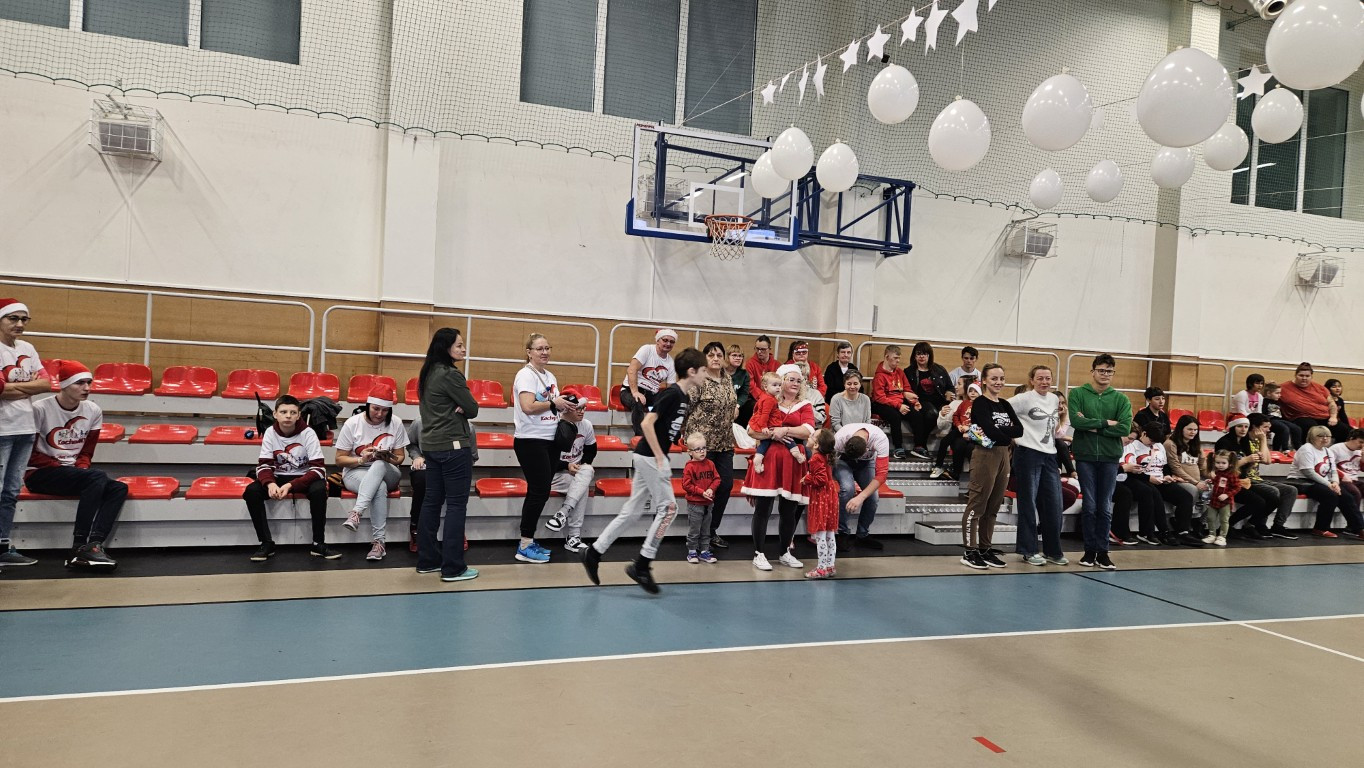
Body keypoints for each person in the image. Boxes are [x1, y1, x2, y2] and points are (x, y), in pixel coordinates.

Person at [583, 347, 708, 594]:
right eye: (703, 370)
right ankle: (642, 564)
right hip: (651, 457)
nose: (706, 374)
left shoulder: (683, 397)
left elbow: (665, 427)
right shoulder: (672, 393)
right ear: (692, 371)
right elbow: (647, 423)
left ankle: (594, 552)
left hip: (648, 457)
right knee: (669, 509)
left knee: (631, 512)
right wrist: (660, 456)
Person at [24, 361, 124, 569]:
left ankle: (94, 544)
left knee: (119, 488)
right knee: (97, 477)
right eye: (79, 383)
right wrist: (60, 466)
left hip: (72, 473)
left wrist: (81, 468)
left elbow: (86, 452)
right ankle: (78, 546)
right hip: (39, 473)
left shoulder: (93, 410)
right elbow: (29, 454)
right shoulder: (40, 409)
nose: (87, 388)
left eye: (89, 382)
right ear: (64, 385)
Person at [416, 327, 480, 583]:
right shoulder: (450, 374)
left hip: (431, 447)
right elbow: (472, 408)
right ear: (446, 348)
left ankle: (428, 560)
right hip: (453, 447)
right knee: (455, 505)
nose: (464, 349)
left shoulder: (428, 372)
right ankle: (453, 567)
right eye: (459, 345)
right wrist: (462, 406)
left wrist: (460, 405)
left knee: (431, 502)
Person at [512, 332, 579, 564]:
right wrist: (553, 402)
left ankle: (528, 541)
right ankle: (524, 545)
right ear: (529, 352)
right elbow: (528, 406)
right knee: (538, 491)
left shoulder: (549, 375)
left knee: (539, 491)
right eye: (539, 348)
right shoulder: (525, 375)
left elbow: (553, 407)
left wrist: (567, 405)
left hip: (549, 440)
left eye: (547, 348)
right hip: (531, 440)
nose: (545, 352)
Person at [742, 364, 816, 571]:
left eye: (798, 380)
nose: (795, 383)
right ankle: (759, 553)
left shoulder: (805, 405)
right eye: (790, 379)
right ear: (780, 381)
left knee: (789, 509)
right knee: (763, 508)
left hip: (792, 462)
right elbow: (751, 430)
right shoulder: (767, 401)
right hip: (770, 459)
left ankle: (784, 552)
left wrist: (784, 430)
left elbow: (807, 431)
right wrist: (774, 434)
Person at [242, 394, 333, 562]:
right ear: (275, 414)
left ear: (299, 415)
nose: (288, 416)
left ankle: (318, 543)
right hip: (278, 477)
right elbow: (263, 465)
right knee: (252, 491)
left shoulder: (308, 433)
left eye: (293, 412)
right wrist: (270, 484)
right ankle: (266, 543)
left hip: (304, 477)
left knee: (319, 490)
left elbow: (319, 469)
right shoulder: (270, 432)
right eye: (283, 412)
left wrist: (291, 485)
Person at [1068, 353, 1132, 570]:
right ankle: (1089, 551)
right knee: (1090, 506)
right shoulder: (1078, 394)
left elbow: (1124, 428)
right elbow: (1076, 422)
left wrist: (1093, 426)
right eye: (1101, 370)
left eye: (1109, 371)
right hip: (1085, 457)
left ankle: (1103, 552)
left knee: (1104, 507)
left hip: (1110, 458)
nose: (1105, 374)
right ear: (1093, 371)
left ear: (1113, 373)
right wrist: (1106, 423)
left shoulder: (1121, 399)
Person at [0, 297, 49, 566]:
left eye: (24, 319)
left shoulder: (27, 348)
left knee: (10, 492)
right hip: (2, 429)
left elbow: (46, 383)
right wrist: (30, 387)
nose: (19, 324)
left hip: (25, 428)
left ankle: (2, 547)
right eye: (13, 318)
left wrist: (12, 388)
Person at [335, 382, 409, 561]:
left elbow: (401, 457)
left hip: (388, 470)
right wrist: (362, 459)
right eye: (376, 409)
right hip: (356, 471)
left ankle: (356, 513)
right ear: (368, 405)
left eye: (385, 410)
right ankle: (379, 543)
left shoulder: (396, 422)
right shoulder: (353, 423)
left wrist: (386, 457)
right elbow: (339, 460)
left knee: (379, 465)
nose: (380, 414)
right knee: (379, 487)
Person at [960, 363, 1022, 570]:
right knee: (977, 504)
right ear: (984, 380)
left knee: (993, 505)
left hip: (1004, 454)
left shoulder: (1004, 404)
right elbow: (990, 430)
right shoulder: (980, 403)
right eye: (994, 378)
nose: (999, 382)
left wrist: (999, 430)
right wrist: (1003, 431)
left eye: (1001, 378)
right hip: (985, 455)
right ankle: (970, 551)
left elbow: (1019, 430)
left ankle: (985, 549)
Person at [1008, 365, 1068, 567]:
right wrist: (1014, 434)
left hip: (1049, 454)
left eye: (1048, 378)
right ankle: (1028, 550)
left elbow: (1054, 427)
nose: (1044, 382)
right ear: (1032, 380)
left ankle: (1053, 551)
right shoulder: (1023, 398)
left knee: (1054, 503)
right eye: (1040, 378)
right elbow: (1002, 409)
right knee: (1028, 503)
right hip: (1028, 454)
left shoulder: (1053, 399)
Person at [681, 342, 737, 550]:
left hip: (724, 442)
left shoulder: (727, 378)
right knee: (702, 491)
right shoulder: (700, 379)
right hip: (702, 446)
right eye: (711, 355)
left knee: (725, 485)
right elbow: (686, 407)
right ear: (705, 358)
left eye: (719, 355)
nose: (715, 358)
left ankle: (711, 531)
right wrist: (683, 433)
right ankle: (697, 536)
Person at [1214, 413, 1298, 540]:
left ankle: (1253, 524)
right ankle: (1229, 525)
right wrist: (1246, 460)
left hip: (1243, 480)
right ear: (1232, 427)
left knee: (1273, 499)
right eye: (1240, 426)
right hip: (1228, 482)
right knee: (1260, 500)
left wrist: (1252, 462)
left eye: (1245, 427)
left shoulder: (1244, 441)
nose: (1243, 430)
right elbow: (1222, 466)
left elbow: (1263, 462)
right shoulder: (1224, 442)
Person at [544, 388, 596, 553]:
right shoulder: (553, 425)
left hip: (576, 473)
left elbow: (591, 451)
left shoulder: (586, 425)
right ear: (566, 409)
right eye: (578, 408)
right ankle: (573, 537)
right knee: (582, 486)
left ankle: (563, 513)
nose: (582, 412)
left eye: (584, 408)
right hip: (555, 474)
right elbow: (547, 458)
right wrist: (566, 466)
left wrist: (580, 466)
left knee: (587, 470)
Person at [1289, 426, 1364, 539]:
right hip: (1302, 481)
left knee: (1347, 496)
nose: (1325, 438)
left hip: (1322, 481)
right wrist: (1329, 484)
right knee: (1330, 495)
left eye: (1327, 436)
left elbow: (1333, 470)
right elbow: (1309, 472)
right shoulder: (1306, 449)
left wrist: (1335, 482)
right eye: (1321, 436)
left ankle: (1358, 528)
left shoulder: (1327, 451)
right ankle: (1321, 528)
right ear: (1312, 437)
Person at [1141, 422, 1202, 546]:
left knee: (1185, 497)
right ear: (1143, 434)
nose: (1153, 443)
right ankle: (1164, 532)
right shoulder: (1134, 446)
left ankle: (1183, 531)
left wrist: (1167, 476)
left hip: (1161, 479)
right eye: (1151, 440)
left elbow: (1165, 465)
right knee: (1156, 496)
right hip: (1145, 479)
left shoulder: (1159, 445)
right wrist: (1149, 478)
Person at [833, 422, 890, 551]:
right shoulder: (840, 437)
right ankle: (842, 533)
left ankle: (862, 535)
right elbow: (827, 460)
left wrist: (861, 496)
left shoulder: (880, 439)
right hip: (843, 460)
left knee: (873, 497)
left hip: (866, 462)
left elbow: (882, 475)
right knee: (848, 489)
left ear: (867, 449)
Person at [904, 341, 955, 461]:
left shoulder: (939, 369)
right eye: (918, 354)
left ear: (929, 355)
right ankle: (920, 445)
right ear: (914, 356)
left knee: (944, 412)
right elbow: (906, 390)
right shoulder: (909, 371)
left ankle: (920, 444)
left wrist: (949, 393)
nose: (921, 357)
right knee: (931, 414)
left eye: (925, 354)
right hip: (919, 402)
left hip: (940, 401)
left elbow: (950, 387)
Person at [622, 328, 677, 436]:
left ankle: (666, 436)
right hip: (629, 390)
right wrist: (635, 392)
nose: (668, 344)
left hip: (651, 394)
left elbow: (671, 388)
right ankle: (640, 437)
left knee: (668, 404)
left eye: (671, 342)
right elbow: (631, 369)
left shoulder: (671, 363)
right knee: (637, 401)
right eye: (665, 340)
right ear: (657, 340)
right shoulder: (647, 350)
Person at [801, 428, 839, 579]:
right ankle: (830, 566)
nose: (809, 436)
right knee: (829, 532)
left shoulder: (815, 458)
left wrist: (807, 479)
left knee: (820, 534)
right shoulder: (826, 456)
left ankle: (821, 568)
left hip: (821, 497)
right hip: (830, 496)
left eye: (812, 436)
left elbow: (820, 479)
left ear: (816, 444)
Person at [1121, 422, 1167, 545]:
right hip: (1126, 477)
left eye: (1132, 439)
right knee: (1143, 491)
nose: (1130, 441)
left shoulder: (1131, 444)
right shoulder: (1132, 445)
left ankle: (1155, 531)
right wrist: (1127, 469)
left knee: (1149, 491)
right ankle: (1144, 532)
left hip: (1135, 475)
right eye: (1129, 438)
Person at [1165, 414, 1210, 535]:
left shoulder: (1196, 445)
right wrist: (1195, 482)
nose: (1193, 432)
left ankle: (1199, 522)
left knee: (1217, 490)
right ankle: (1180, 520)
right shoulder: (1170, 444)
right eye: (1190, 429)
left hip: (1196, 481)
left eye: (1195, 430)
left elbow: (1203, 468)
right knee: (1192, 490)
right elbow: (1175, 468)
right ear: (1181, 429)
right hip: (1179, 480)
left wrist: (1215, 477)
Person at [870, 345, 915, 460]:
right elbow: (880, 398)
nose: (898, 361)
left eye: (899, 358)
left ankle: (919, 446)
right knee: (895, 416)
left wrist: (914, 401)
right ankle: (898, 447)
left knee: (916, 414)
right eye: (895, 358)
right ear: (887, 357)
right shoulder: (879, 376)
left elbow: (907, 389)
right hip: (881, 404)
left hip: (899, 402)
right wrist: (898, 406)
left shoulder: (900, 372)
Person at [680, 432, 720, 564]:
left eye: (704, 448)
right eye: (697, 449)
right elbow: (686, 485)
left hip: (708, 504)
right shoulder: (689, 467)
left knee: (706, 530)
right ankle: (692, 551)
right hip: (695, 504)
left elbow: (717, 479)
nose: (702, 451)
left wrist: (711, 489)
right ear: (690, 452)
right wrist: (701, 492)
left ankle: (704, 551)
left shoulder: (710, 464)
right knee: (694, 530)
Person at [750, 372, 800, 474]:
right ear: (765, 387)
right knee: (787, 439)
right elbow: (764, 414)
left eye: (779, 385)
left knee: (765, 444)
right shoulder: (769, 400)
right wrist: (763, 427)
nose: (778, 388)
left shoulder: (769, 397)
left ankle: (758, 459)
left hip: (770, 426)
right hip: (770, 426)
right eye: (774, 385)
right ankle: (796, 453)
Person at [932, 382, 980, 483]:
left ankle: (964, 475)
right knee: (944, 441)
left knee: (962, 447)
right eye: (970, 391)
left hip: (973, 432)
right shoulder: (964, 403)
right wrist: (959, 425)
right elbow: (956, 415)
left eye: (975, 391)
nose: (972, 393)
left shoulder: (982, 405)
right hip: (960, 429)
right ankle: (938, 466)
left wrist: (969, 428)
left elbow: (981, 422)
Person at [1279, 362, 1337, 436]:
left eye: (1307, 376)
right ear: (1295, 375)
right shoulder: (1283, 388)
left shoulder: (1320, 388)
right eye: (1301, 375)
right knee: (1314, 430)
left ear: (1311, 377)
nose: (1304, 378)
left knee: (1345, 430)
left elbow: (1331, 403)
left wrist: (1333, 417)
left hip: (1325, 418)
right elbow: (1270, 393)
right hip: (1301, 418)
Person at [1200, 450, 1241, 547]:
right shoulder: (1218, 473)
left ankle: (1222, 537)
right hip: (1214, 500)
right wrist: (1211, 481)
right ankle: (1212, 534)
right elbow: (1218, 482)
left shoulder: (1232, 475)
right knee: (1210, 518)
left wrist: (1227, 495)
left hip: (1225, 503)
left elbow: (1237, 487)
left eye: (1223, 463)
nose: (1220, 465)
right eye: (1218, 463)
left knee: (1224, 520)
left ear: (1230, 463)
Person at [405, 414, 425, 553]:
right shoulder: (419, 422)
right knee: (421, 480)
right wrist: (417, 456)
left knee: (458, 482)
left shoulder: (466, 426)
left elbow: (472, 455)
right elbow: (411, 444)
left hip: (452, 466)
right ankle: (415, 527)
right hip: (427, 464)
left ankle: (456, 529)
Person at [1263, 383, 1301, 452]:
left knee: (1296, 428)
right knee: (1284, 428)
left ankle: (1298, 448)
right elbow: (1263, 413)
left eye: (1280, 393)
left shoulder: (1277, 402)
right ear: (1268, 393)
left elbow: (1281, 413)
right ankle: (1285, 449)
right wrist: (1266, 422)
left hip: (1279, 420)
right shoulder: (1264, 402)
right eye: (1277, 393)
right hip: (1270, 420)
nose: (1279, 395)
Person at [744, 335, 778, 404]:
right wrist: (764, 397)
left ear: (769, 349)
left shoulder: (777, 364)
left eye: (763, 349)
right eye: (757, 349)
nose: (759, 352)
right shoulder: (750, 363)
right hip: (755, 399)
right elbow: (751, 385)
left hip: (773, 398)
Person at [823, 342, 858, 407]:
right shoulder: (831, 368)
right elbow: (829, 391)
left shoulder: (854, 368)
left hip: (852, 402)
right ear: (838, 354)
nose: (846, 355)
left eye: (848, 352)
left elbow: (860, 388)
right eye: (843, 352)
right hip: (835, 403)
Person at [727, 345, 751, 428]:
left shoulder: (744, 374)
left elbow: (744, 394)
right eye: (734, 355)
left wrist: (737, 406)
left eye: (740, 356)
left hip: (736, 405)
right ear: (727, 357)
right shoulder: (720, 372)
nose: (738, 358)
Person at [1325, 379, 1352, 443]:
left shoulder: (1340, 400)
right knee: (1343, 430)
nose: (1337, 389)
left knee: (1352, 431)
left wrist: (1348, 426)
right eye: (1334, 387)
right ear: (1328, 389)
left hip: (1337, 423)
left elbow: (1343, 415)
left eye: (1339, 386)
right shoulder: (1326, 399)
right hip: (1328, 422)